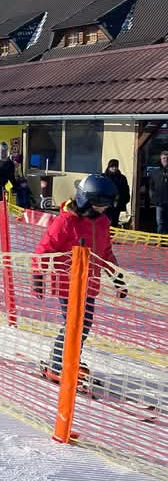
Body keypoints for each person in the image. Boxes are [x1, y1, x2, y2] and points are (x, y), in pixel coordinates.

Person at [33, 174, 127, 378]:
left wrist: (117, 278)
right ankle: (57, 364)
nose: (105, 208)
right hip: (67, 283)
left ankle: (70, 359)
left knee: (84, 325)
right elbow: (44, 249)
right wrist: (38, 276)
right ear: (87, 200)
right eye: (101, 204)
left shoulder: (102, 222)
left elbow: (106, 253)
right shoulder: (66, 221)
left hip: (90, 284)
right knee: (75, 324)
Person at [103, 159, 130, 228]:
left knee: (114, 223)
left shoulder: (122, 178)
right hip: (105, 205)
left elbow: (126, 190)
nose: (114, 168)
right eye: (112, 166)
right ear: (109, 167)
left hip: (117, 204)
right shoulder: (103, 177)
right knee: (104, 222)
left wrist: (124, 201)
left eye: (116, 166)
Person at [147, 151, 168, 234]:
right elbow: (151, 186)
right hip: (159, 201)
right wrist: (152, 197)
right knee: (160, 221)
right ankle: (160, 238)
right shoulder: (155, 172)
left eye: (167, 158)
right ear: (161, 159)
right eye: (164, 158)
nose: (165, 160)